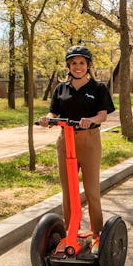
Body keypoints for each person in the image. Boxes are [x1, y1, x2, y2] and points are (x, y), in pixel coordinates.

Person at [39, 45, 115, 254]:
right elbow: (54, 112)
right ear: (69, 66)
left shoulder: (98, 88)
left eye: (82, 62)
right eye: (74, 63)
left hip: (89, 142)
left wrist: (89, 120)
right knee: (68, 192)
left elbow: (103, 115)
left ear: (88, 65)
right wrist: (48, 120)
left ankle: (97, 234)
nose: (78, 66)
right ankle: (70, 234)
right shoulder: (61, 89)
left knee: (91, 192)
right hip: (66, 142)